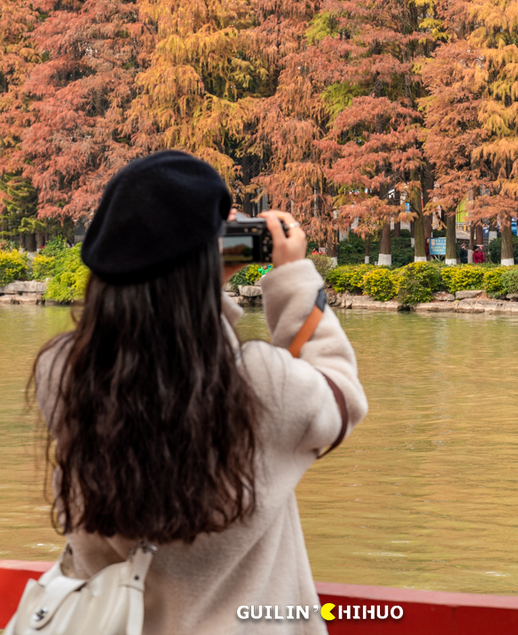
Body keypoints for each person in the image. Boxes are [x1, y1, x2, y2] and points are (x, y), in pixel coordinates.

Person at [33, 151, 368, 635]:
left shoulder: (62, 372)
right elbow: (341, 396)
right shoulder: (256, 383)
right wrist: (292, 278)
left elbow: (150, 347)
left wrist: (201, 272)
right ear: (209, 258)